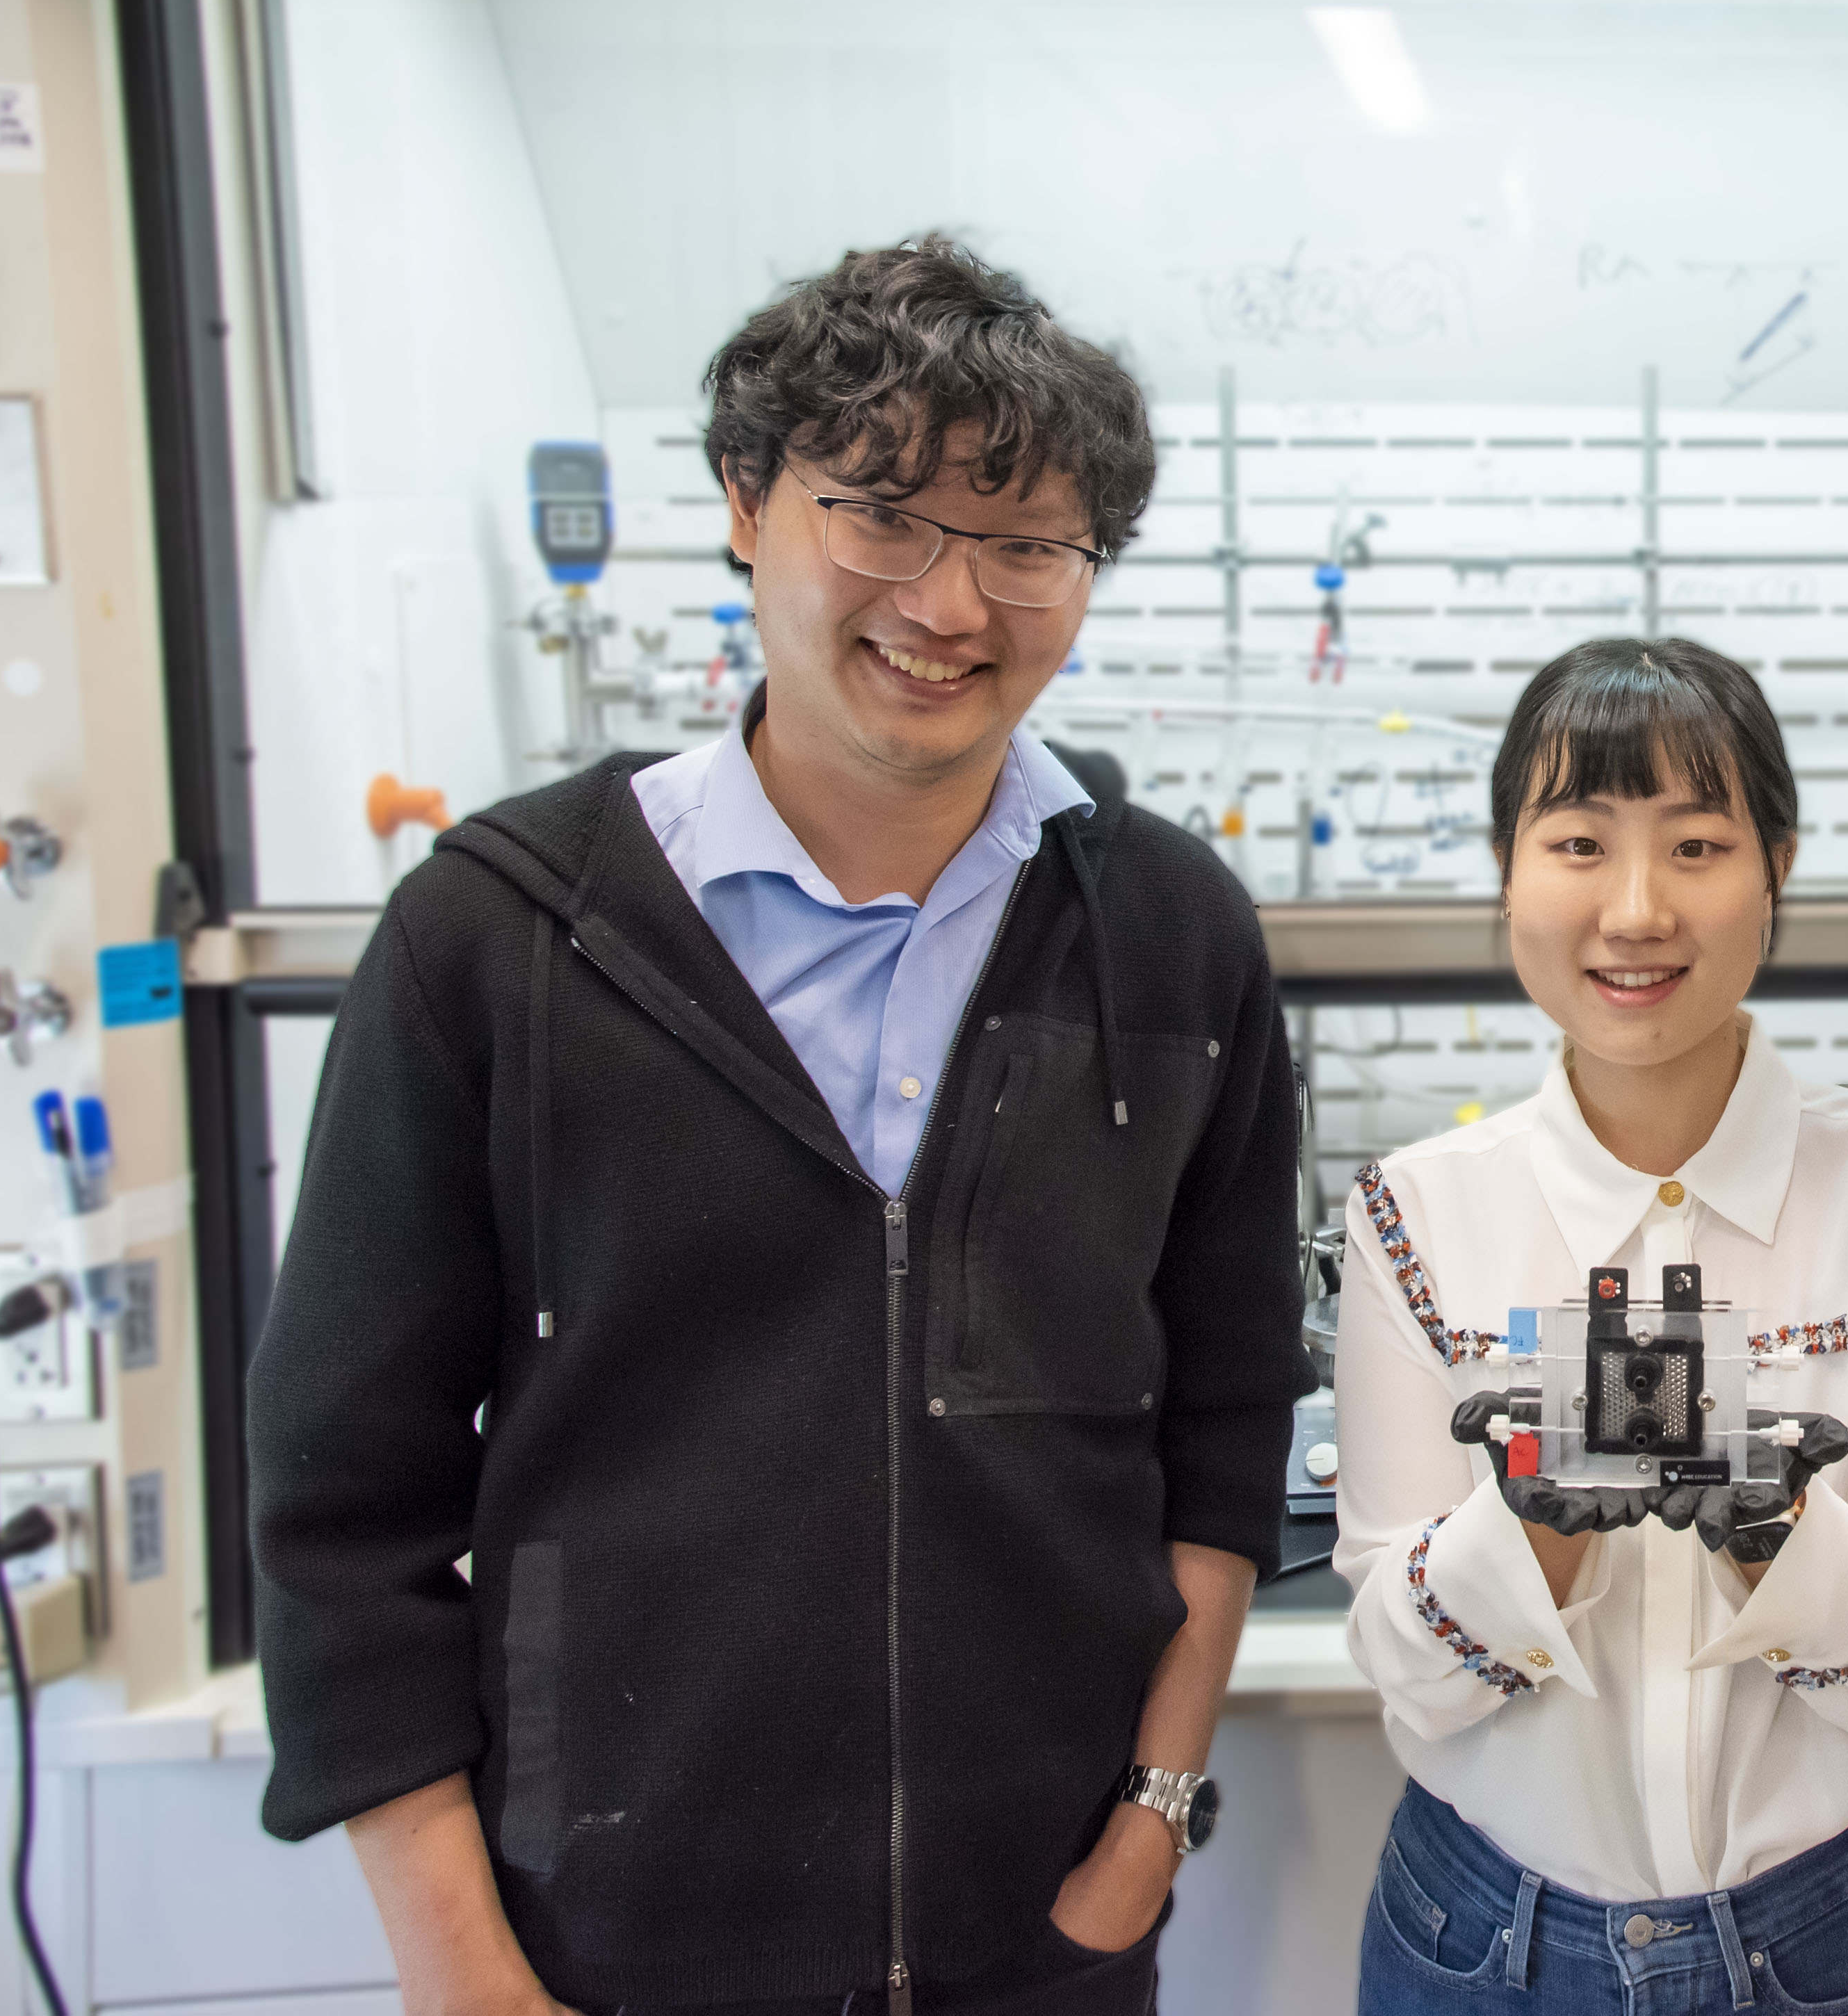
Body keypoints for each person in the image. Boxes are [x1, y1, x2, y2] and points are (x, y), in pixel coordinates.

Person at [248, 236, 1309, 2015]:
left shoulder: (1167, 932)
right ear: (747, 501)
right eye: (881, 513)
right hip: (603, 1948)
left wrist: (1145, 1833)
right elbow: (338, 1505)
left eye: (1026, 542)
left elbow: (1222, 1419)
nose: (952, 603)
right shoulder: (503, 936)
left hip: (1041, 1947)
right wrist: (463, 1972)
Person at [1331, 637, 1848, 2015]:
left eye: (1696, 843)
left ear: (1775, 864)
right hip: (1483, 1932)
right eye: (1578, 841)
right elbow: (1400, 1663)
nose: (1636, 908)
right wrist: (1528, 1513)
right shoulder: (1410, 1213)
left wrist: (1774, 1524)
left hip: (1837, 1931)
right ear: (1505, 868)